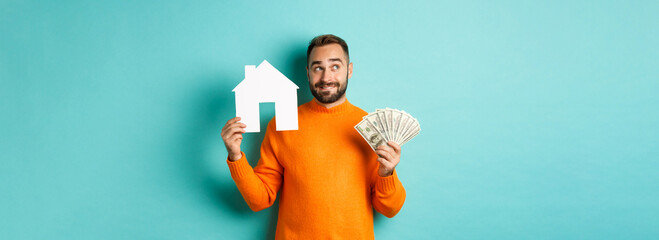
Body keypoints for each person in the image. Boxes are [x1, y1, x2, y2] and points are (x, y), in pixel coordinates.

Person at [221, 34, 406, 239]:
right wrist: (235, 156)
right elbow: (259, 200)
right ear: (308, 73)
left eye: (335, 66)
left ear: (349, 70)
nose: (326, 77)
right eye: (318, 68)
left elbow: (390, 209)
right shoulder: (281, 124)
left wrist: (387, 173)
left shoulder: (370, 127)